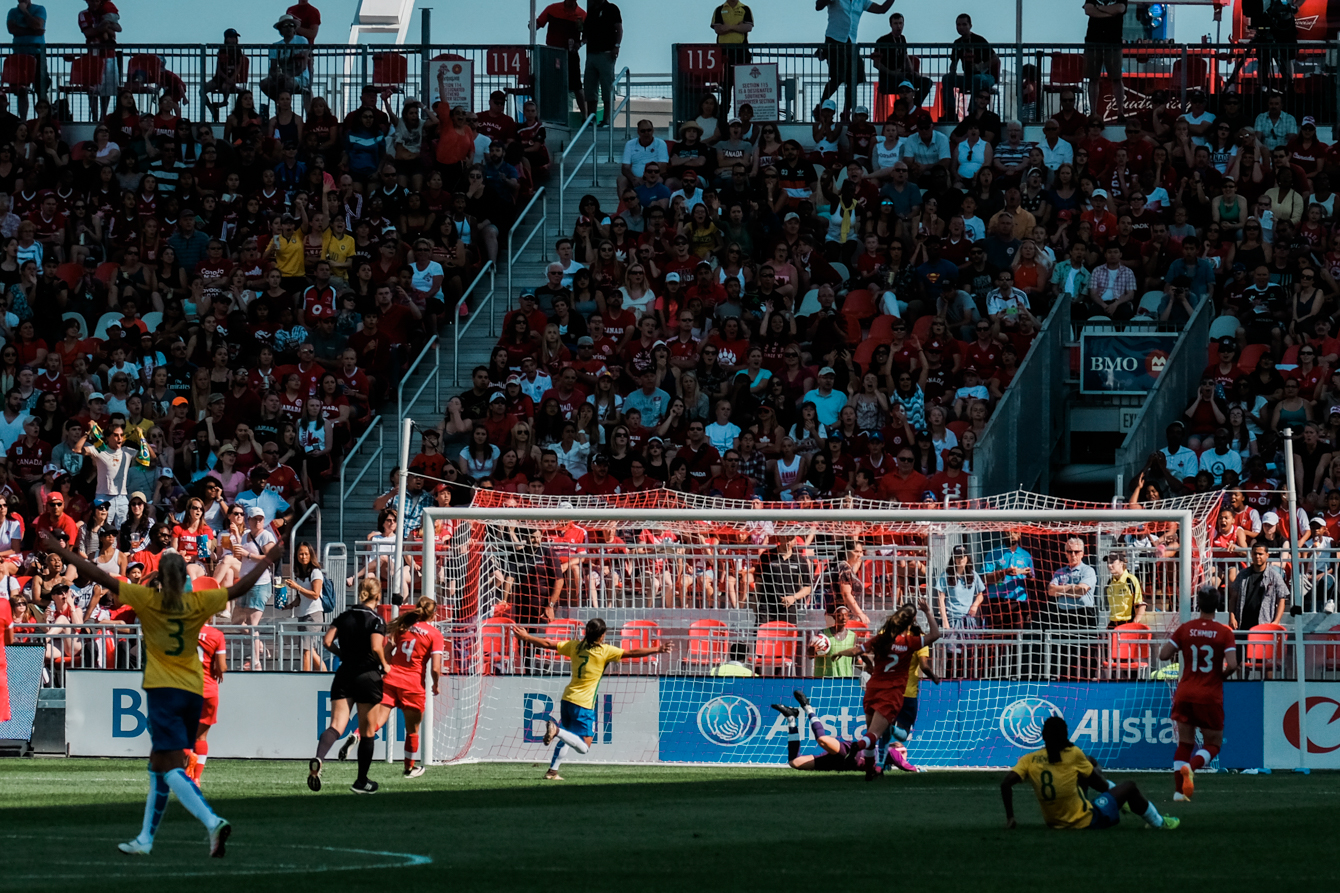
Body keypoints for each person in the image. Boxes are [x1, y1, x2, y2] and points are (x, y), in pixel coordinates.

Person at [40, 530, 282, 856]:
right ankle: (145, 839)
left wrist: (61, 550)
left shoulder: (148, 599)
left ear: (158, 579)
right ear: (185, 578)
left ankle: (212, 822)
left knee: (169, 767)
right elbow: (239, 587)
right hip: (194, 692)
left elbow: (98, 574)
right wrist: (267, 560)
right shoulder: (199, 600)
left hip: (163, 692)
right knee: (158, 764)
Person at [513, 617, 668, 780]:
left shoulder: (574, 646)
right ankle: (556, 731)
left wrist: (526, 637)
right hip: (583, 704)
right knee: (583, 747)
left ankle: (552, 771)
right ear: (601, 635)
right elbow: (631, 653)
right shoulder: (605, 651)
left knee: (568, 736)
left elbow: (547, 644)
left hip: (567, 699)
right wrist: (657, 649)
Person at [1001, 716, 1178, 830]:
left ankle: (1114, 803)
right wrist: (1096, 770)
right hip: (1087, 820)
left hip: (1054, 822)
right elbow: (1100, 785)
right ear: (1065, 735)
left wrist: (1011, 817)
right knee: (1129, 787)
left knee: (1084, 768)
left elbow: (1005, 783)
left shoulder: (1029, 759)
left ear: (1043, 736)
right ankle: (1159, 823)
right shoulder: (1073, 754)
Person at [832, 600, 940, 779]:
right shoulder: (910, 642)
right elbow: (935, 634)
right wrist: (928, 612)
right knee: (874, 735)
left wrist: (840, 653)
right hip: (892, 693)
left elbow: (858, 650)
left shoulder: (881, 638)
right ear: (911, 620)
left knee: (871, 732)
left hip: (873, 689)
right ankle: (856, 746)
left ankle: (869, 772)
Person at [308, 577, 392, 794]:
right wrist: (384, 664)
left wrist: (341, 654)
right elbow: (375, 646)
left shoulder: (344, 616)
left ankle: (319, 757)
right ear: (378, 595)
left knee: (335, 725)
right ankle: (361, 781)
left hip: (344, 673)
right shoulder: (375, 619)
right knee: (367, 731)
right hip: (367, 675)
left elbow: (327, 641)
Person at [1159, 583, 1238, 802]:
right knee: (1213, 744)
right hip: (1209, 694)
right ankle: (1191, 767)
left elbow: (1164, 655)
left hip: (1184, 692)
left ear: (1198, 604)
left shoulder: (1186, 628)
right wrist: (1219, 676)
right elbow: (1232, 664)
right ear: (1218, 606)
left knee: (1185, 743)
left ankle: (1178, 793)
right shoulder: (1224, 632)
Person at [371, 595, 443, 778]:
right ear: (433, 615)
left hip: (391, 678)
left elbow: (387, 652)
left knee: (377, 721)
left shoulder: (402, 627)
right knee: (412, 730)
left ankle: (356, 734)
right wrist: (436, 684)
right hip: (413, 684)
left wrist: (387, 670)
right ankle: (409, 769)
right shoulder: (435, 634)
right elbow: (435, 668)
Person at [815, 0, 896, 112]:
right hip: (835, 40)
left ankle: (846, 113)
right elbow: (818, 6)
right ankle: (821, 106)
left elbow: (882, 9)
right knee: (837, 77)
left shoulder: (861, 1)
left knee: (855, 78)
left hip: (851, 43)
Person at [771, 689, 866, 772]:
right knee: (822, 739)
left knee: (794, 762)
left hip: (842, 765)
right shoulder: (877, 753)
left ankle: (791, 718)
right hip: (851, 752)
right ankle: (808, 708)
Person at [186, 622, 225, 783]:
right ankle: (197, 777)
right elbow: (221, 667)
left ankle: (188, 762)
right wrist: (218, 669)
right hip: (209, 690)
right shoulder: (216, 635)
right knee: (201, 737)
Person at [1228, 542, 1289, 630]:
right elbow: (1233, 598)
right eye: (1255, 554)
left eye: (1260, 554)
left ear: (1267, 555)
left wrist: (1276, 621)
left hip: (1264, 624)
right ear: (1251, 555)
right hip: (1242, 623)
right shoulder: (1242, 575)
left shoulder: (1275, 576)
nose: (1257, 556)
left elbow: (1281, 600)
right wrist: (1232, 617)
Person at [1083, 0, 1126, 120]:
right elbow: (1088, 10)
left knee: (1117, 78)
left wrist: (1099, 8)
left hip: (1113, 42)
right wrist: (1109, 13)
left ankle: (1120, 112)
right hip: (1093, 41)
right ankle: (1093, 112)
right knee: (1093, 78)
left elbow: (1120, 8)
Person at [583, 0, 622, 129]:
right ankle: (591, 118)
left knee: (607, 87)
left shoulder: (612, 9)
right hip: (591, 54)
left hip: (606, 53)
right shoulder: (591, 11)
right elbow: (586, 34)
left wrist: (616, 46)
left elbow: (619, 28)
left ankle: (606, 119)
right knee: (590, 88)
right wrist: (580, 43)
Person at [1103, 553, 1145, 627]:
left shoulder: (1131, 580)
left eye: (1112, 562)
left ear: (1121, 563)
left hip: (1128, 622)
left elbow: (1141, 604)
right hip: (1113, 623)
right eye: (1108, 563)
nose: (1109, 565)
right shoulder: (1110, 582)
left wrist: (1135, 623)